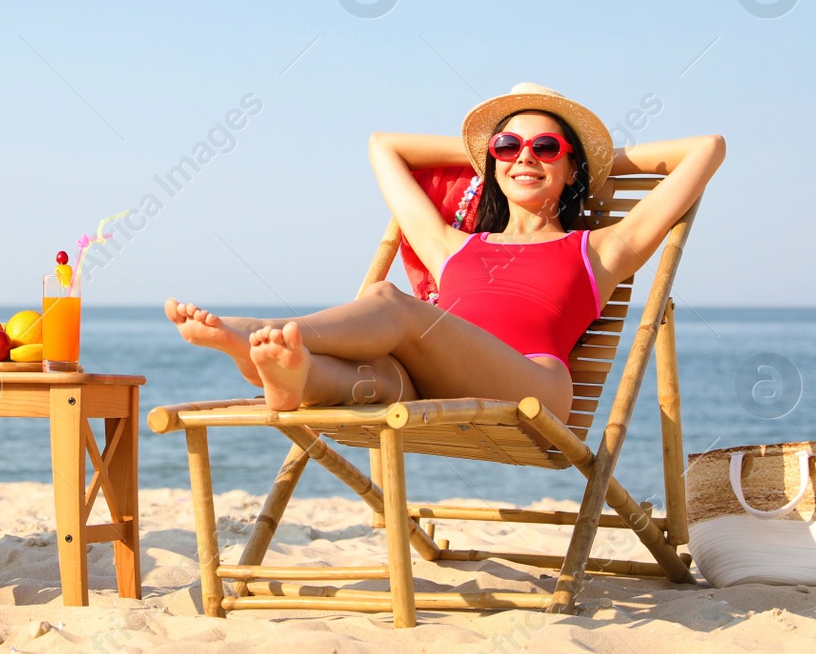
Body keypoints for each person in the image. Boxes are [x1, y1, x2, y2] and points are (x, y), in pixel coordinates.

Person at [166, 82, 724, 419]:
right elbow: (383, 146)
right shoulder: (453, 246)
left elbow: (706, 149)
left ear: (572, 166)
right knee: (380, 383)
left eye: (545, 148)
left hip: (532, 388)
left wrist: (592, 159)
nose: (523, 157)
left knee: (390, 300)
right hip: (433, 384)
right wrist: (487, 151)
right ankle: (293, 377)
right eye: (508, 146)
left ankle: (262, 331)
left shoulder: (600, 249)